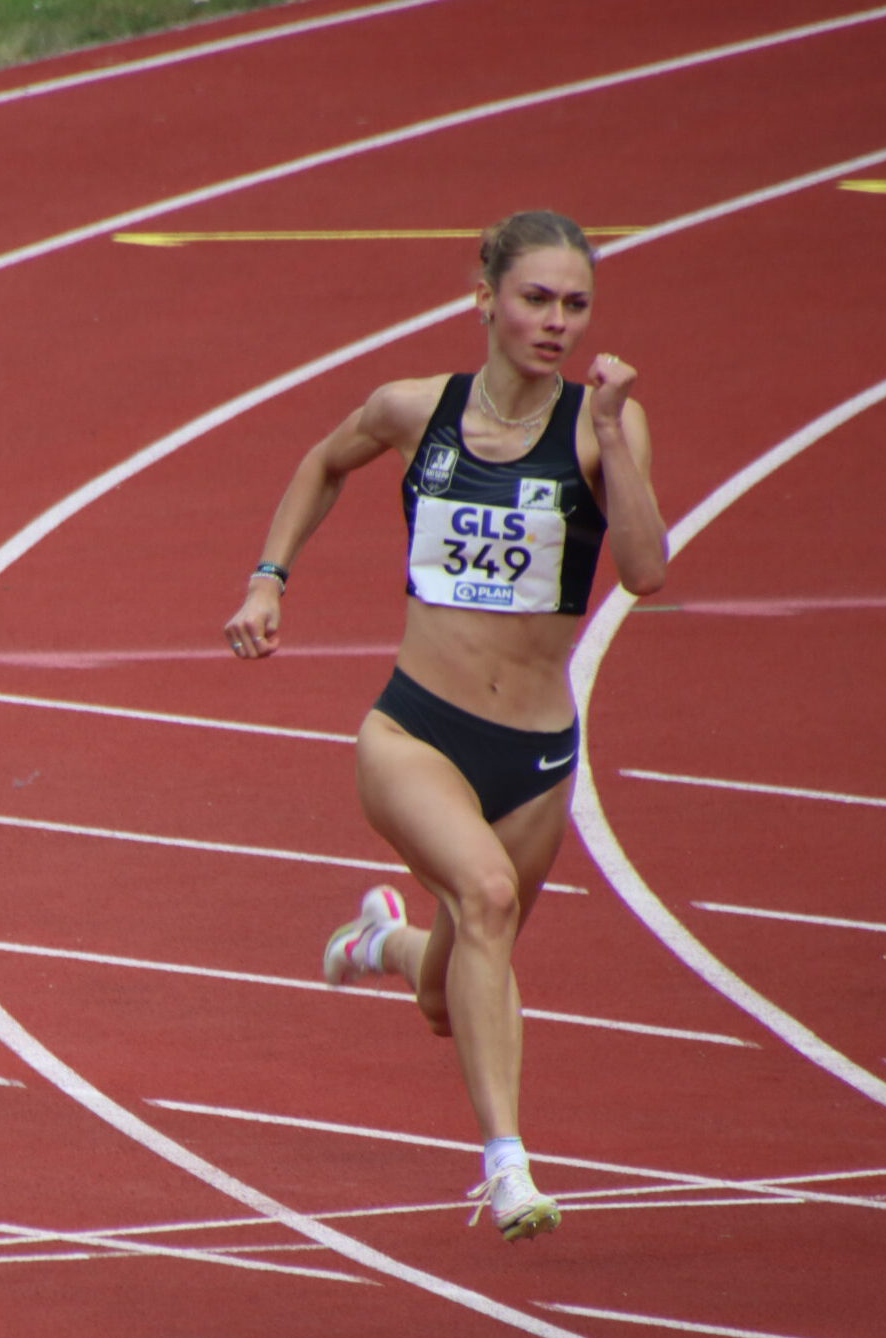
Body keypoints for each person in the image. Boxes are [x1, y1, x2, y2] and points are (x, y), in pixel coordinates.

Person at [224, 210, 667, 1243]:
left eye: (576, 305)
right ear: (485, 298)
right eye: (536, 299)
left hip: (537, 758)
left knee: (448, 992)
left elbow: (645, 571)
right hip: (414, 733)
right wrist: (268, 578)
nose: (556, 322)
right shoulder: (412, 408)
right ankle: (507, 1166)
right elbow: (323, 462)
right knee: (486, 896)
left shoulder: (603, 426)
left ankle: (382, 940)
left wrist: (611, 439)